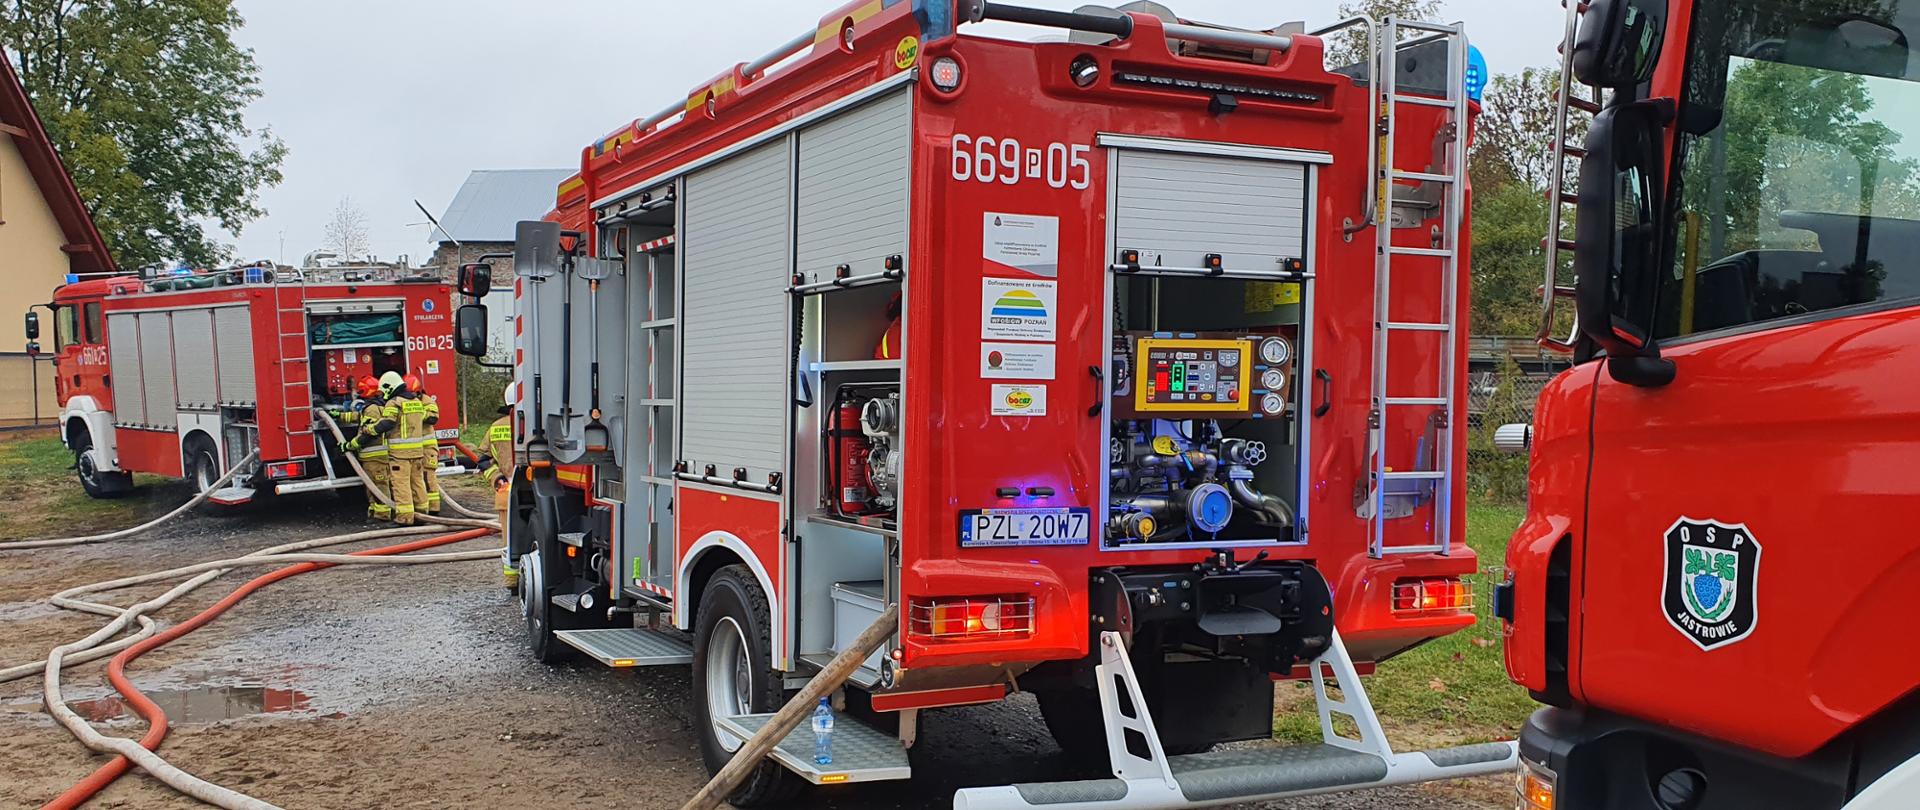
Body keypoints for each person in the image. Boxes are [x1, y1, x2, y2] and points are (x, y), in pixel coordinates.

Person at [359, 371, 431, 525]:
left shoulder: (395, 402)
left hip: (400, 454)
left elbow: (387, 422)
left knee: (401, 484)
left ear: (389, 387)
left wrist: (369, 430)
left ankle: (404, 518)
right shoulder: (416, 402)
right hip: (418, 451)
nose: (383, 394)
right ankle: (421, 514)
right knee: (417, 482)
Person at [474, 388, 516, 589]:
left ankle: (513, 582)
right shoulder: (540, 426)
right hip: (539, 492)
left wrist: (497, 478)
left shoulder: (496, 428)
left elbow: (482, 460)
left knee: (509, 540)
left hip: (506, 493)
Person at [337, 375, 392, 521]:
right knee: (372, 485)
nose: (357, 394)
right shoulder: (376, 406)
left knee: (379, 485)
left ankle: (383, 514)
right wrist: (340, 416)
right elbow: (358, 417)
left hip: (375, 456)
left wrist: (350, 445)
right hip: (374, 456)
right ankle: (375, 512)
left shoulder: (372, 409)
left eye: (360, 391)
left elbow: (368, 433)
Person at [407, 373, 442, 515]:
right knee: (417, 479)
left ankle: (434, 509)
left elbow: (433, 417)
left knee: (428, 478)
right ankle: (423, 507)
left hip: (427, 448)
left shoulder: (427, 401)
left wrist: (416, 413)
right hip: (416, 448)